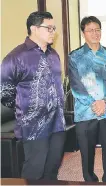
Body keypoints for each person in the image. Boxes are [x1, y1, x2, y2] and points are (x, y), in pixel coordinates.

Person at [0, 11, 66, 180]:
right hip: (34, 127)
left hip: (57, 123)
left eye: (54, 28)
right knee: (34, 171)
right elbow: (4, 93)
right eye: (48, 28)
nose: (53, 31)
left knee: (52, 169)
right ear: (34, 28)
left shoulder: (53, 54)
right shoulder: (16, 57)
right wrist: (27, 109)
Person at [68, 16, 106, 183]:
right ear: (83, 32)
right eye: (90, 30)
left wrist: (103, 102)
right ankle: (89, 180)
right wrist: (93, 104)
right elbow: (76, 85)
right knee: (86, 151)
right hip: (85, 112)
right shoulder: (74, 57)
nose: (95, 33)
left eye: (97, 29)